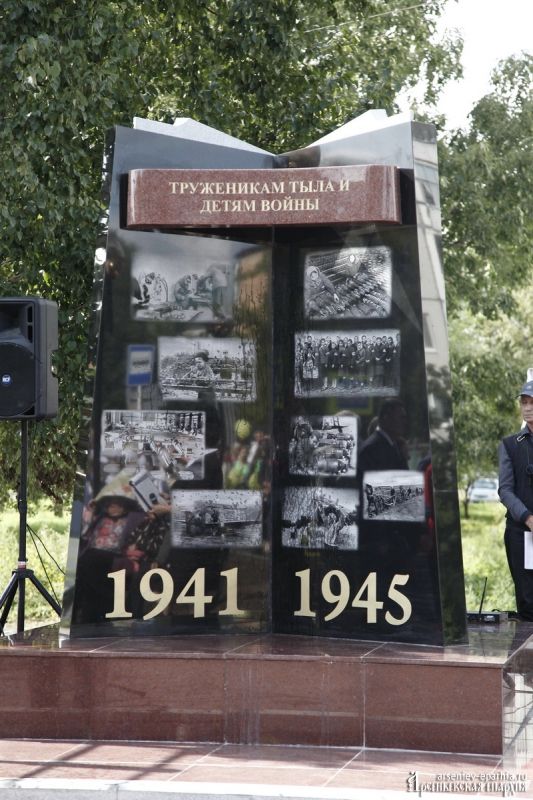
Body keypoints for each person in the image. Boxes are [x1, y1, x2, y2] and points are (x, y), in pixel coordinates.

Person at [498, 379, 533, 620]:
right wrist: (527, 517)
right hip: (522, 533)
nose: (527, 407)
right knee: (528, 601)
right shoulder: (510, 444)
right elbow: (505, 490)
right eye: (524, 402)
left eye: (532, 402)